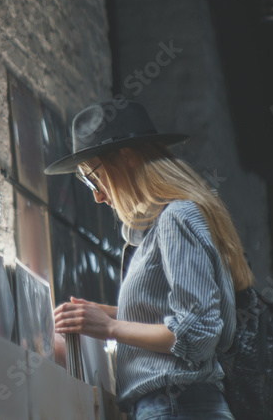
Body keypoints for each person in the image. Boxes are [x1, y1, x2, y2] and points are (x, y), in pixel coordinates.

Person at [44, 101, 253, 419]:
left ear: (126, 159)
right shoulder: (166, 224)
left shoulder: (176, 218)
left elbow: (197, 335)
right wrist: (112, 314)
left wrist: (112, 326)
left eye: (93, 178)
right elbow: (178, 316)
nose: (97, 195)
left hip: (177, 406)